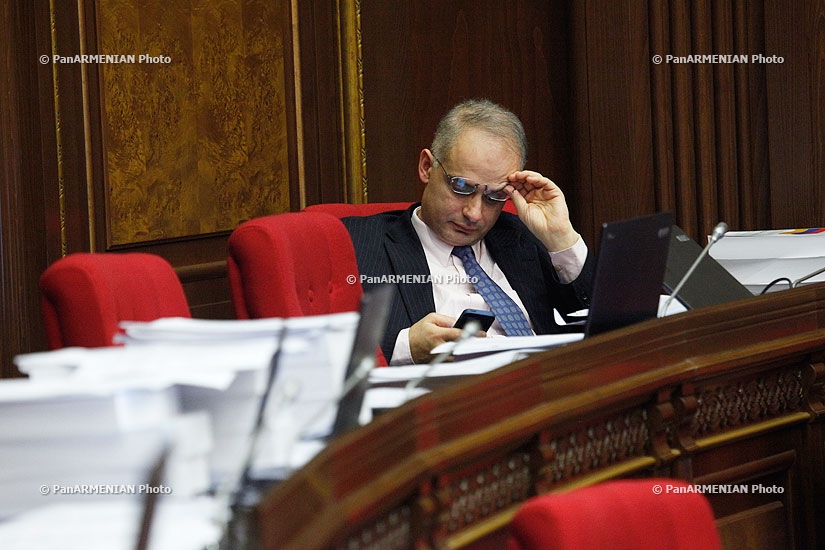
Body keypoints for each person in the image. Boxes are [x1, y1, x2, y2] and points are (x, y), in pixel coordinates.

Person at [344, 99, 594, 364]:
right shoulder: (358, 244)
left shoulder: (523, 238)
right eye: (461, 186)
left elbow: (597, 326)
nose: (474, 213)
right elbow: (319, 350)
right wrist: (406, 348)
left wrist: (561, 239)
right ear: (427, 167)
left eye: (495, 195)